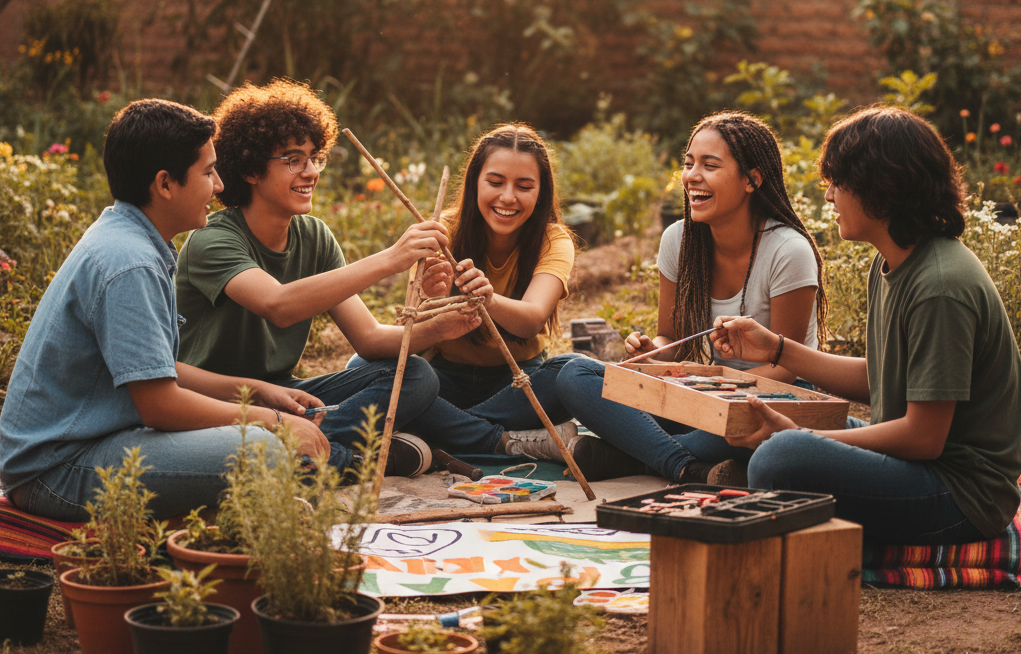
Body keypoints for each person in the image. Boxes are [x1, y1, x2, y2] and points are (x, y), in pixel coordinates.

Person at [0, 99, 330, 522]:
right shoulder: (129, 262)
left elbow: (156, 369)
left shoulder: (131, 237)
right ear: (165, 184)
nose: (220, 185)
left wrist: (252, 389)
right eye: (208, 172)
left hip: (93, 443)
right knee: (262, 450)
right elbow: (160, 405)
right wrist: (272, 421)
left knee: (253, 441)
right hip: (56, 470)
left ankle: (199, 517)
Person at [712, 106, 1021, 544]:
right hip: (917, 466)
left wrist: (803, 436)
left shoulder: (940, 286)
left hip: (960, 495)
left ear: (882, 188)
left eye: (838, 183)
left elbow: (924, 438)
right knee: (761, 425)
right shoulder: (891, 262)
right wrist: (776, 349)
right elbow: (880, 378)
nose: (829, 196)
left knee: (781, 456)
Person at [176, 79, 484, 477]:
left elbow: (370, 340)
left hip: (285, 394)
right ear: (251, 169)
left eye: (314, 158)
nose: (311, 172)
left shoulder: (314, 237)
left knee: (418, 376)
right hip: (214, 401)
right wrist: (392, 258)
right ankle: (339, 458)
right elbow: (278, 305)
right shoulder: (212, 240)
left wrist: (442, 326)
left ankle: (306, 453)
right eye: (293, 160)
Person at [555, 111, 827, 482]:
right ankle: (686, 466)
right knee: (575, 373)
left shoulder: (788, 251)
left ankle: (638, 455)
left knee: (724, 434)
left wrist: (709, 393)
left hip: (773, 399)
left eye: (709, 165)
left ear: (752, 180)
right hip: (702, 394)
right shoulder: (678, 240)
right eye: (688, 163)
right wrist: (655, 351)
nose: (691, 176)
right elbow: (671, 338)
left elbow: (789, 366)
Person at [387, 124, 585, 459]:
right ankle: (504, 441)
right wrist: (427, 300)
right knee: (363, 365)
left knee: (572, 370)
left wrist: (489, 299)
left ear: (541, 192)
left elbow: (531, 320)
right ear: (474, 181)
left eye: (524, 186)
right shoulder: (442, 232)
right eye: (495, 183)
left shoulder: (554, 240)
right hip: (443, 381)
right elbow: (408, 336)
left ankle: (447, 434)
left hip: (517, 384)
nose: (508, 197)